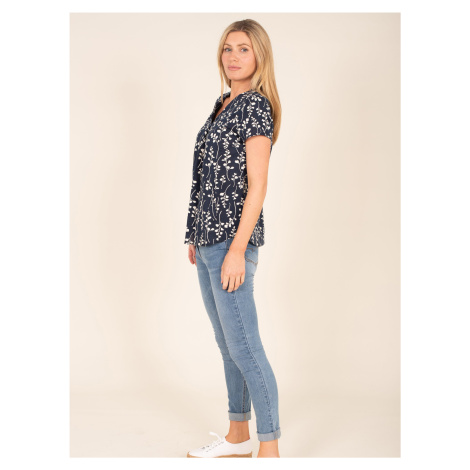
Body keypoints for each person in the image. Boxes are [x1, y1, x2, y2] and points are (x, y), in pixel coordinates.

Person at [184, 19, 282, 458]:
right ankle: (238, 434)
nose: (233, 56)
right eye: (227, 48)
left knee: (245, 346)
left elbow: (257, 185)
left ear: (259, 55)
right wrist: (194, 232)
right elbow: (205, 177)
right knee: (228, 344)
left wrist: (238, 249)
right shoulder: (222, 104)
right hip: (207, 241)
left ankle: (270, 449)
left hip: (231, 243)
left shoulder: (255, 106)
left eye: (243, 48)